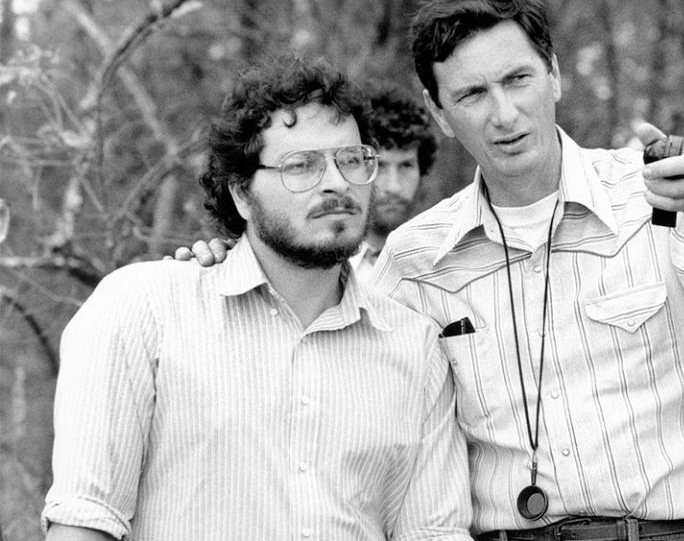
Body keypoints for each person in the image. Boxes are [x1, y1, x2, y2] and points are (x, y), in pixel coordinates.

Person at [182, 0, 684, 541]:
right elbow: (332, 375)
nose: (504, 114)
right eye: (471, 95)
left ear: (555, 76)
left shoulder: (664, 198)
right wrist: (231, 266)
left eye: (518, 79)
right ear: (438, 112)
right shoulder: (413, 260)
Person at [41, 55, 471, 541]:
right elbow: (84, 522)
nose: (335, 182)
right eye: (300, 165)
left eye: (351, 160)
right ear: (242, 194)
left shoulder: (416, 350)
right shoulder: (143, 311)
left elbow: (434, 533)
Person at [351, 83, 438, 280]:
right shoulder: (324, 272)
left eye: (406, 166)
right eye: (380, 166)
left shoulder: (441, 262)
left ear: (421, 168)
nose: (394, 186)